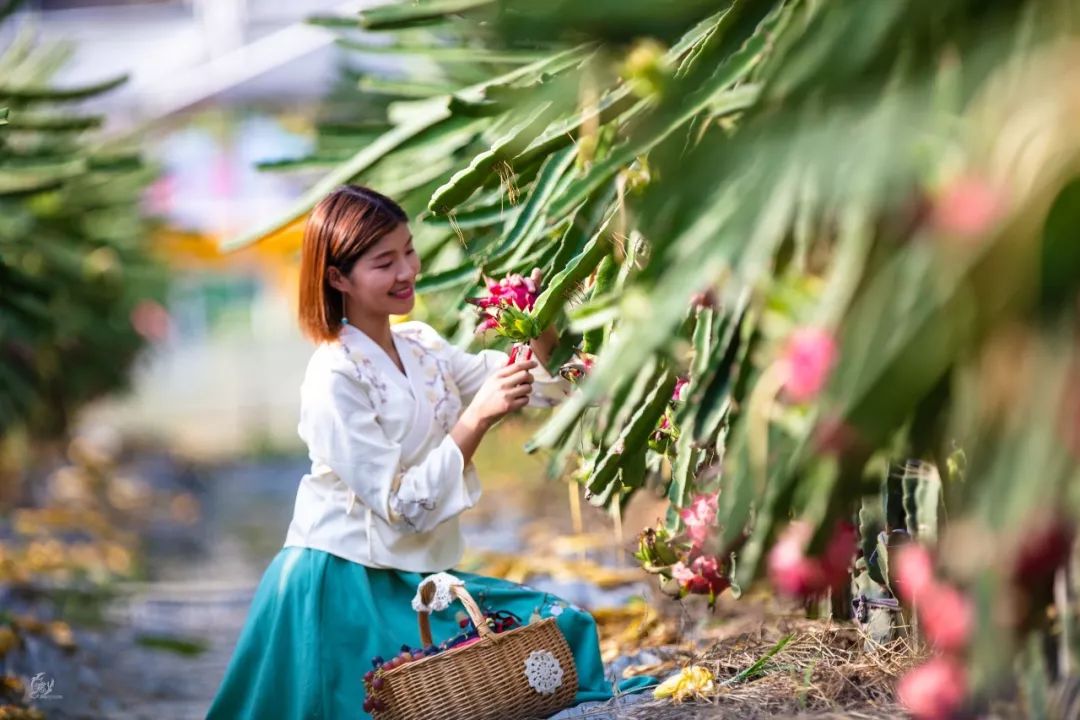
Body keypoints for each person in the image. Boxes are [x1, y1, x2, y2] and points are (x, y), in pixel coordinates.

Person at [206, 185, 651, 719]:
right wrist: (476, 418)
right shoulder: (334, 376)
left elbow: (536, 383)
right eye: (384, 263)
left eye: (409, 251)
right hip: (341, 585)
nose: (406, 272)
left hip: (417, 580)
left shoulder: (421, 345)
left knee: (564, 629)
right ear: (338, 278)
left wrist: (538, 320)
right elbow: (403, 507)